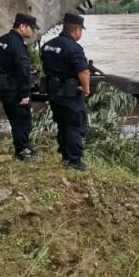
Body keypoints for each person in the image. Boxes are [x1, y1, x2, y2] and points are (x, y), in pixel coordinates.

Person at [41, 13, 90, 171]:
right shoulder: (73, 47)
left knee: (62, 125)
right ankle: (74, 162)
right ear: (76, 30)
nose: (80, 33)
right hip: (69, 94)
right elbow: (84, 72)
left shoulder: (48, 45)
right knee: (76, 126)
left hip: (53, 93)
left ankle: (65, 157)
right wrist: (86, 88)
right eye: (81, 30)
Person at [0, 13, 40, 161]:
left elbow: (8, 64)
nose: (33, 32)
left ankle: (23, 146)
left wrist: (28, 69)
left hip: (4, 87)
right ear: (22, 26)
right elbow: (22, 69)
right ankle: (23, 153)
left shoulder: (2, 40)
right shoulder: (18, 44)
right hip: (16, 89)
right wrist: (25, 94)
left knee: (14, 119)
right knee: (23, 121)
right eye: (31, 28)